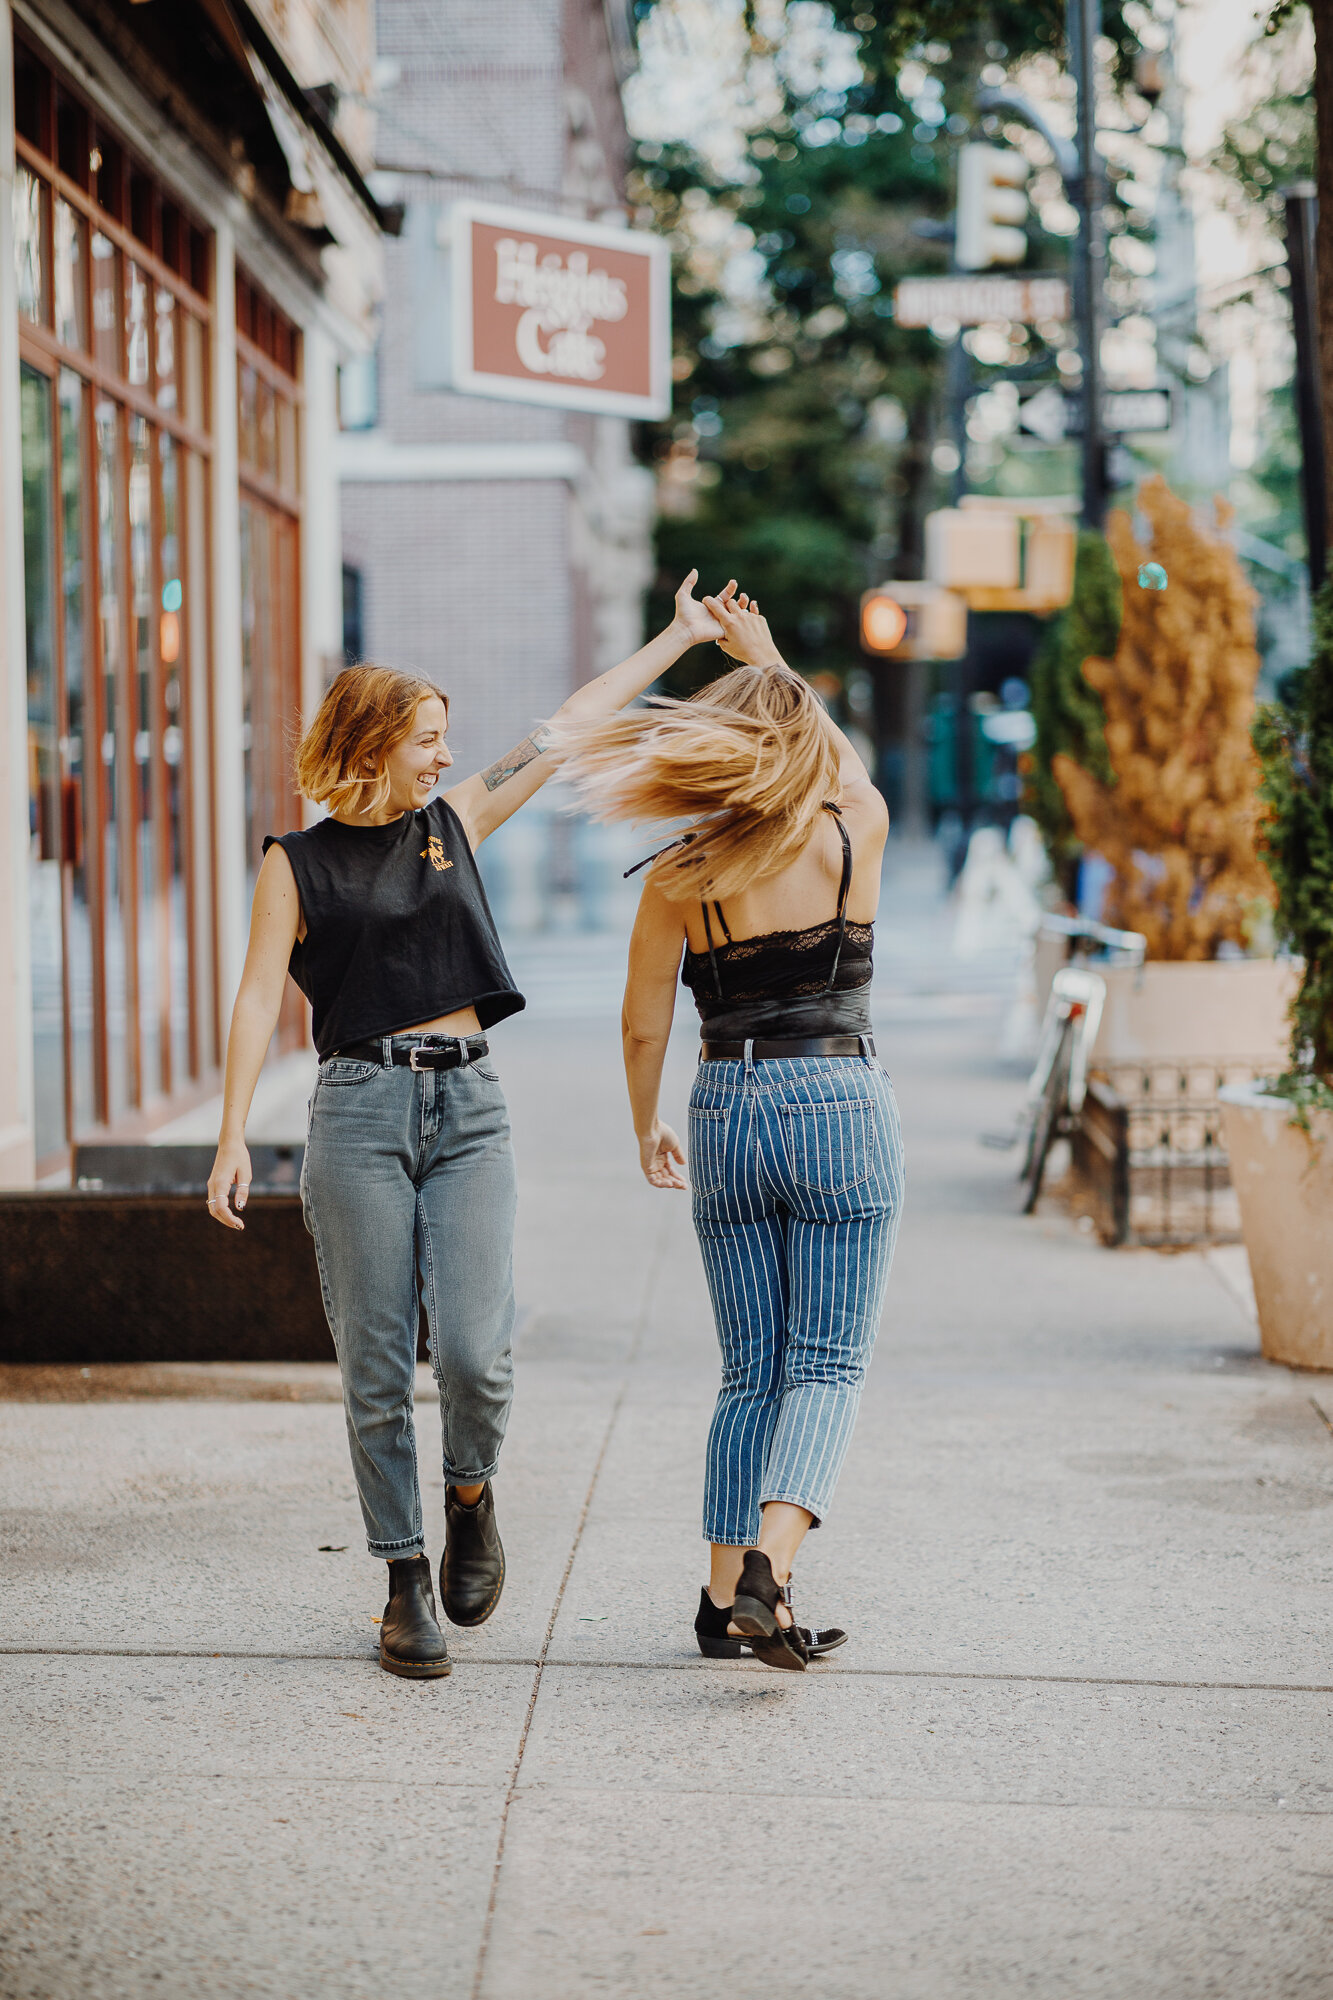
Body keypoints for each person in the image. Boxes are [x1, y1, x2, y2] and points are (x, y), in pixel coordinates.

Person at [206, 572, 736, 1679]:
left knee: (480, 1356)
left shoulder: (455, 823)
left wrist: (675, 637)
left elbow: (568, 726)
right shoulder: (292, 864)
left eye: (445, 739)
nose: (444, 756)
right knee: (376, 1364)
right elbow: (259, 995)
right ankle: (403, 1578)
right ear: (372, 739)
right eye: (427, 740)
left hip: (471, 1108)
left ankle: (470, 1493)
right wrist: (230, 1133)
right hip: (357, 1111)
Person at [562, 594, 905, 1670]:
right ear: (799, 737)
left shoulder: (679, 868)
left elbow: (640, 1018)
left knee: (748, 1368)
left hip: (727, 1105)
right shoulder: (852, 835)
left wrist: (642, 1124)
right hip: (840, 1097)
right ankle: (771, 1565)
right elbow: (848, 775)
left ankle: (723, 1603)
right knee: (828, 1364)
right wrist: (769, 654)